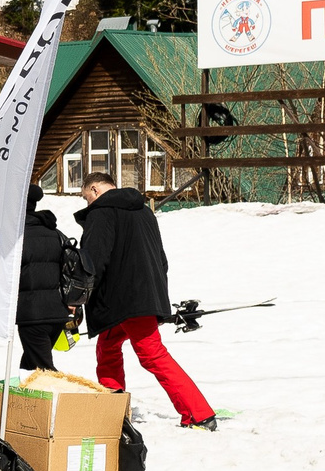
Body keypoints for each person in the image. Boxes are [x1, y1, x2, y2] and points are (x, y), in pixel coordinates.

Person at [76, 175, 217, 429]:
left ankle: (199, 413)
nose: (88, 205)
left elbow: (93, 261)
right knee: (107, 346)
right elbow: (160, 257)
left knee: (152, 354)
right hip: (141, 295)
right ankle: (112, 406)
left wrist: (77, 297)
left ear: (95, 189)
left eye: (87, 198)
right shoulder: (144, 211)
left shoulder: (101, 213)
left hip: (125, 300)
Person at [17, 184, 71, 375]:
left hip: (32, 315)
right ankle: (24, 403)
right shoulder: (55, 234)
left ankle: (69, 403)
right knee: (30, 366)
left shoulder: (17, 238)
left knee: (45, 370)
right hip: (57, 312)